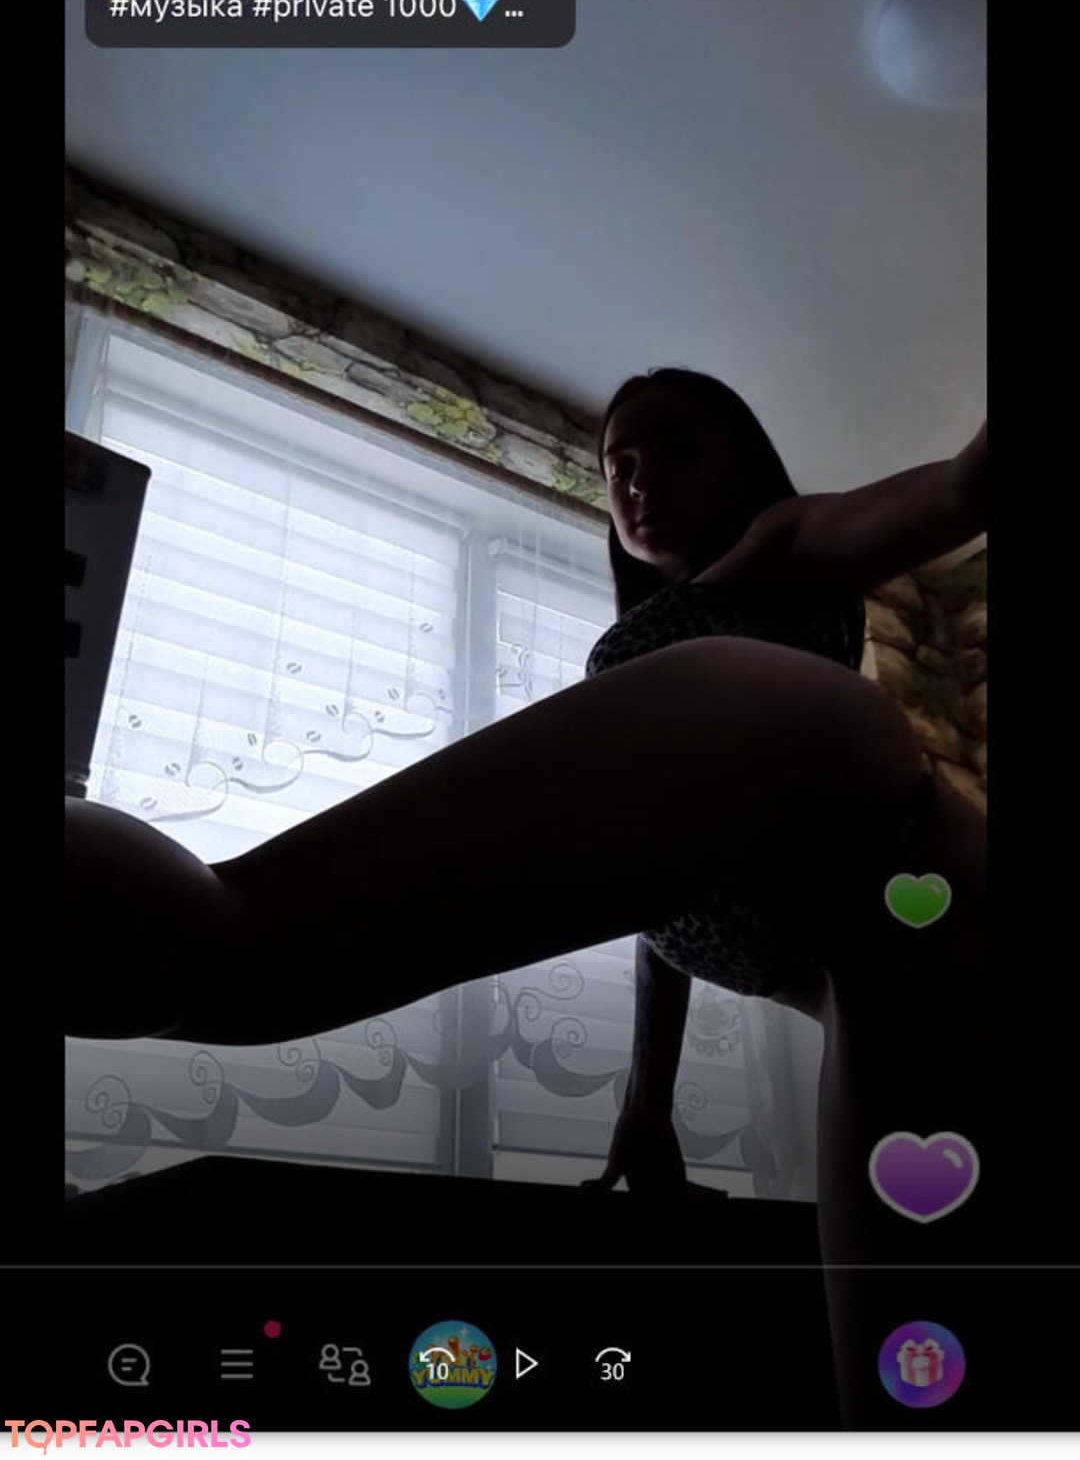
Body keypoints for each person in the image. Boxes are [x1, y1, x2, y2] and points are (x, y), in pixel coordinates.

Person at [65, 368, 988, 1425]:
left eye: (675, 450)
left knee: (226, 951)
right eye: (617, 467)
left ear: (743, 465)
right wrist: (647, 1103)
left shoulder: (783, 540)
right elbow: (658, 876)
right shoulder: (675, 664)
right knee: (910, 1394)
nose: (637, 482)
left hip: (890, 855)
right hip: (896, 972)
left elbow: (958, 491)